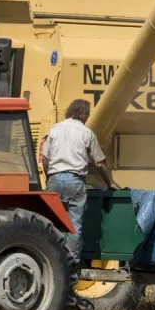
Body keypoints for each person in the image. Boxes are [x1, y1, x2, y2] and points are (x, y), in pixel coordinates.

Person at [40, 98, 120, 260]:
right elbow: (99, 163)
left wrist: (51, 177)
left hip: (54, 180)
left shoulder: (54, 129)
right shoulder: (86, 133)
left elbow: (45, 158)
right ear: (85, 115)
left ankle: (50, 258)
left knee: (52, 222)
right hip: (75, 181)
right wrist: (109, 182)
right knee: (74, 225)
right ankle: (71, 263)